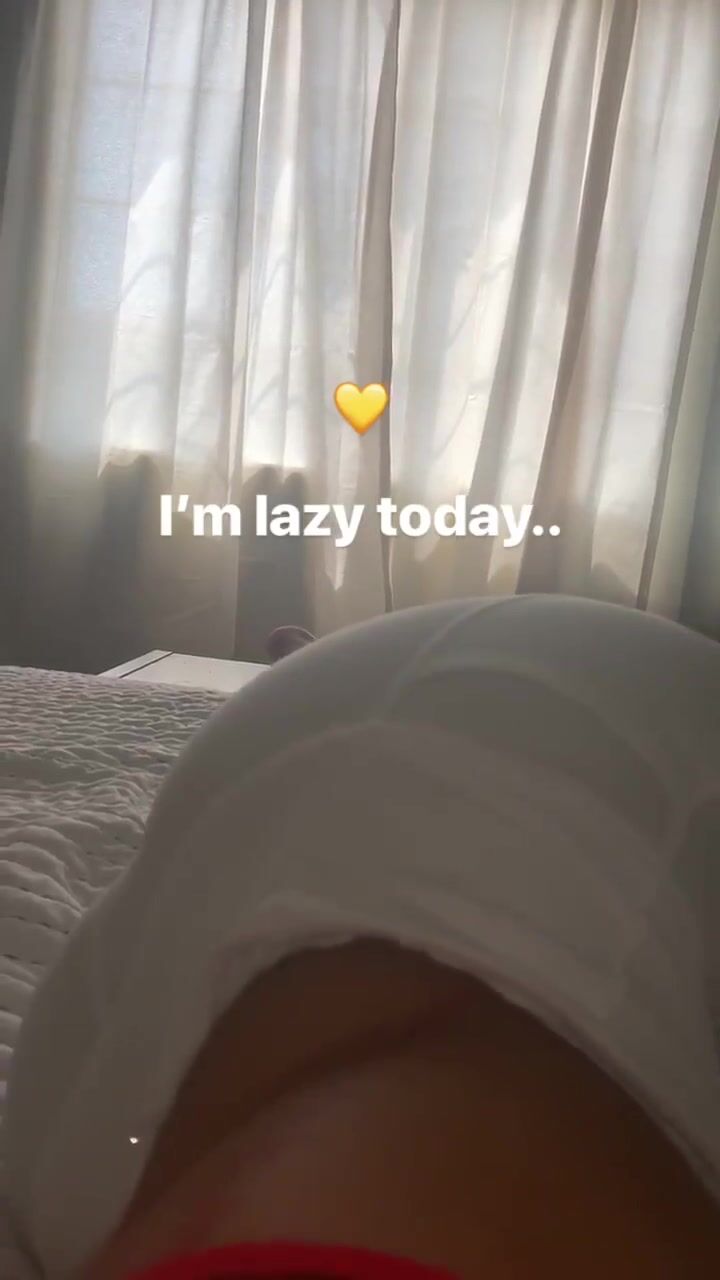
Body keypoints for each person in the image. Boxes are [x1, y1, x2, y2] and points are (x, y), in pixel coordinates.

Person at [6, 595, 720, 1279]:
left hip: (339, 723)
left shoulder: (65, 1169)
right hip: (613, 719)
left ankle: (309, 659)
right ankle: (311, 659)